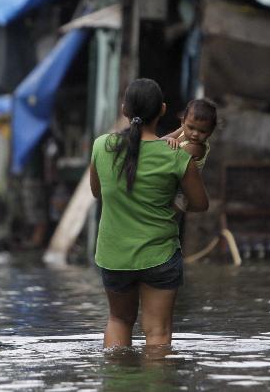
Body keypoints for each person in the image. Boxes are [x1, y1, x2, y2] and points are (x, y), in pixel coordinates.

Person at [89, 78, 209, 349]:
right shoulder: (177, 157)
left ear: (124, 110)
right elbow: (200, 204)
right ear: (163, 110)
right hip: (160, 255)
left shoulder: (101, 147)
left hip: (114, 256)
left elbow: (97, 193)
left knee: (119, 319)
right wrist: (177, 204)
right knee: (157, 333)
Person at [161, 98, 217, 211]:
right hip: (173, 188)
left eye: (202, 131)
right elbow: (160, 141)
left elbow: (171, 158)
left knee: (168, 218)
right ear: (183, 122)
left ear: (210, 132)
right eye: (191, 127)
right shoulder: (183, 130)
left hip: (180, 197)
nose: (195, 134)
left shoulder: (197, 147)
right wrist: (169, 140)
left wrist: (171, 144)